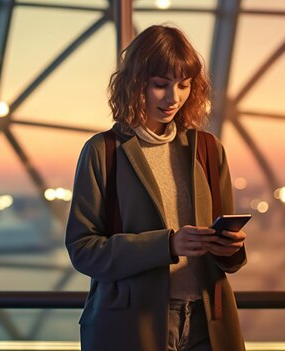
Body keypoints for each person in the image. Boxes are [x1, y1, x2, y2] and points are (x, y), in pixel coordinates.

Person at [65, 25, 247, 351]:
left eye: (184, 85)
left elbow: (226, 251)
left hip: (209, 321)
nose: (173, 98)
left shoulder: (207, 149)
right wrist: (168, 244)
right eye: (161, 85)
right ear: (136, 85)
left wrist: (230, 248)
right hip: (134, 325)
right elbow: (84, 250)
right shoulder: (103, 152)